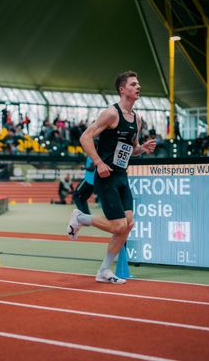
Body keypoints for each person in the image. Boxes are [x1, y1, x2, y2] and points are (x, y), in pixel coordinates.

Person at [67, 71, 156, 284]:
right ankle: (79, 218)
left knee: (129, 224)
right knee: (118, 226)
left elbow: (131, 149)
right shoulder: (111, 114)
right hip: (105, 177)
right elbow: (85, 137)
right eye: (133, 84)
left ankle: (104, 271)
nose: (138, 87)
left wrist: (142, 149)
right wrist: (98, 162)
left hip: (122, 178)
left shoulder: (137, 119)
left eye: (138, 84)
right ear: (122, 89)